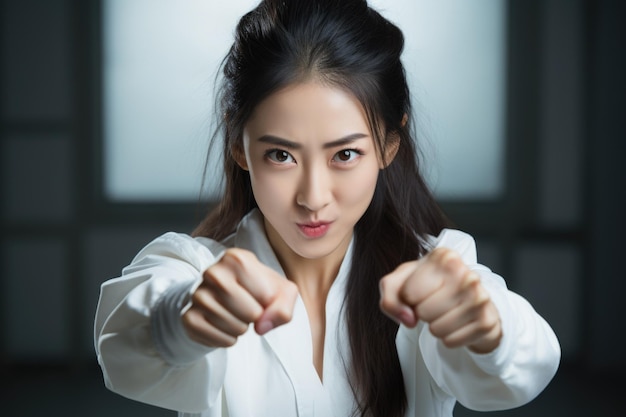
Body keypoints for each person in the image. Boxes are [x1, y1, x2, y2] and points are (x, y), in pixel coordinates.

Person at [94, 1, 560, 416]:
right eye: (281, 155)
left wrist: (486, 328)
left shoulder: (435, 271)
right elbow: (124, 340)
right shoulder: (194, 269)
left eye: (345, 155)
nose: (313, 197)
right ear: (240, 146)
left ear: (389, 145)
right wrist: (183, 319)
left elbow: (524, 365)